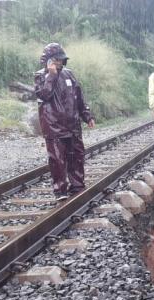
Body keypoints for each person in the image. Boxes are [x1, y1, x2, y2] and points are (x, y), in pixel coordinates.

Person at [35, 43, 95, 201]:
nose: (59, 63)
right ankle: (60, 190)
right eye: (56, 60)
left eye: (61, 60)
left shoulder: (70, 74)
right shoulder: (41, 76)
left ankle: (77, 185)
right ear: (48, 61)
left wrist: (87, 115)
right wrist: (51, 75)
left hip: (73, 124)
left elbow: (79, 97)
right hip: (53, 125)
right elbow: (44, 95)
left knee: (77, 156)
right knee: (57, 160)